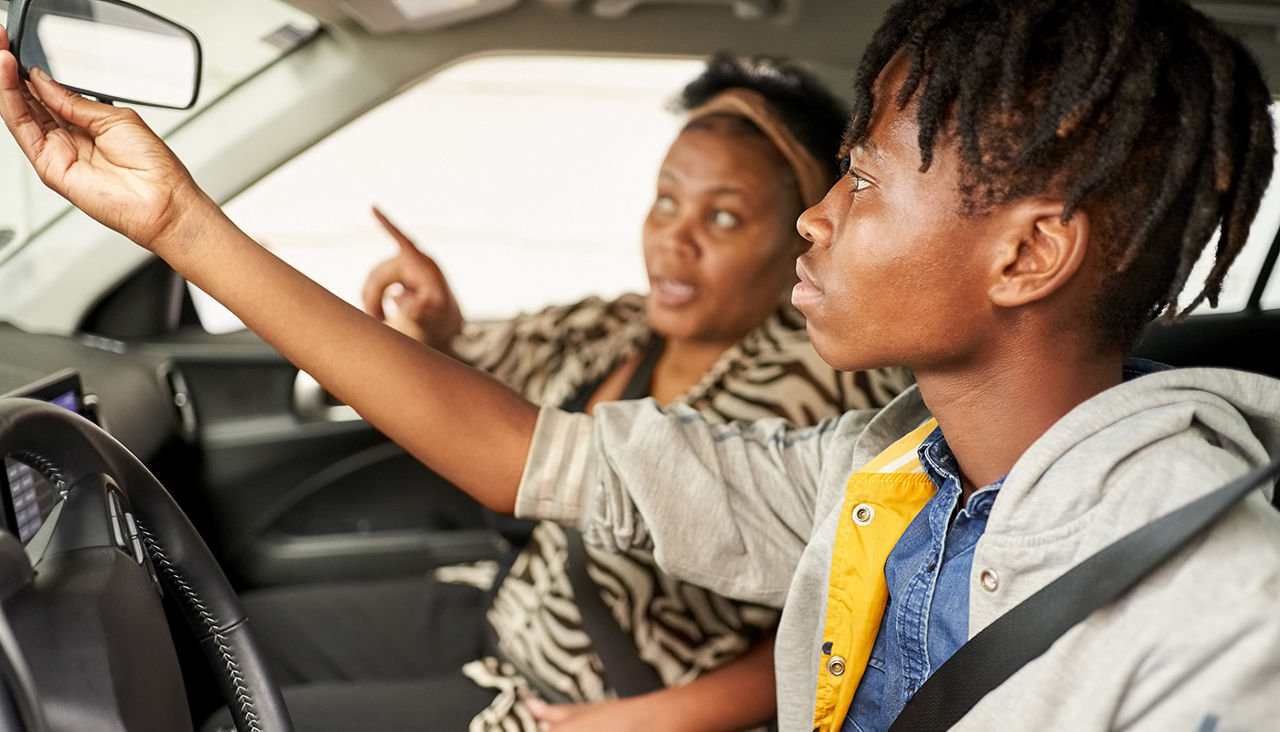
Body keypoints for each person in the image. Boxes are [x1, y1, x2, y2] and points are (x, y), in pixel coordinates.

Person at [2, 0, 1279, 729]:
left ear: (1028, 254)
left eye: (866, 178)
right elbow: (521, 453)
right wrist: (175, 224)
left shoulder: (1226, 610)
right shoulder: (876, 481)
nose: (820, 218)